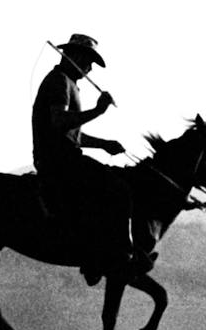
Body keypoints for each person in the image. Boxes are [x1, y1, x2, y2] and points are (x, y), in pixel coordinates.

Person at [31, 34, 132, 276]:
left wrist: (103, 144)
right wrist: (98, 111)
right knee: (116, 187)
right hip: (58, 161)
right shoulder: (59, 81)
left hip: (64, 157)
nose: (89, 69)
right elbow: (58, 122)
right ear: (74, 57)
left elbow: (71, 134)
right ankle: (107, 253)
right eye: (88, 62)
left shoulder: (69, 83)